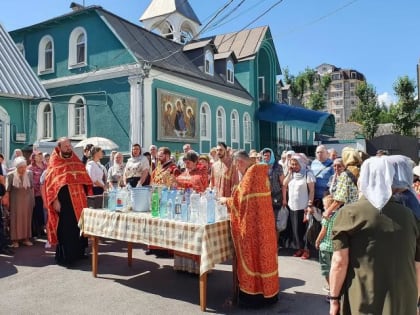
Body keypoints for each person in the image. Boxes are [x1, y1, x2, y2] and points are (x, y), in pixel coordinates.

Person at [329, 156, 420, 315]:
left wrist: (334, 299)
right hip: (404, 300)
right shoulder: (409, 215)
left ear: (362, 178)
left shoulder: (349, 213)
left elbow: (339, 262)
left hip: (364, 299)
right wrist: (414, 300)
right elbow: (417, 265)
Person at [220, 150, 279, 308]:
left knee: (252, 258)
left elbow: (240, 202)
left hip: (252, 227)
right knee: (265, 258)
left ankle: (252, 298)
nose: (237, 168)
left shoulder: (249, 176)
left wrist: (225, 200)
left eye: (236, 165)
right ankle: (269, 294)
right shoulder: (261, 172)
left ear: (240, 162)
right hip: (265, 225)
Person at [44, 137, 93, 266]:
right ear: (59, 147)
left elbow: (85, 178)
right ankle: (67, 257)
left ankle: (79, 252)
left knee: (79, 227)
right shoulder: (55, 163)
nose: (68, 148)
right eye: (65, 146)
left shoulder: (76, 160)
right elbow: (50, 185)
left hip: (79, 201)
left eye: (69, 145)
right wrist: (55, 200)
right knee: (66, 229)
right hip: (64, 202)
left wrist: (88, 194)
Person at [282, 153, 316, 259]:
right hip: (293, 206)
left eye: (295, 164)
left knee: (305, 230)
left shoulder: (307, 174)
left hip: (304, 206)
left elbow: (311, 191)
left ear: (301, 163)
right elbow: (284, 184)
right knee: (295, 230)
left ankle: (306, 250)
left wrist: (309, 204)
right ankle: (299, 248)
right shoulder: (291, 174)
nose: (294, 166)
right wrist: (289, 172)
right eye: (292, 164)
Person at [3, 156, 34, 248]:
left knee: (27, 219)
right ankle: (15, 240)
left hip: (27, 200)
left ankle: (26, 239)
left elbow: (31, 188)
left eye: (24, 166)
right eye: (20, 167)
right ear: (16, 167)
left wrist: (33, 200)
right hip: (15, 201)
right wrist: (7, 203)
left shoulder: (29, 174)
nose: (23, 169)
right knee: (15, 220)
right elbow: (7, 190)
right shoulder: (11, 175)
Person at [261, 148, 285, 245]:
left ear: (272, 156)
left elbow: (283, 184)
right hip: (264, 198)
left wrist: (284, 199)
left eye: (268, 155)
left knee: (275, 223)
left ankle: (275, 244)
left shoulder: (278, 167)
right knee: (266, 223)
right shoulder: (261, 167)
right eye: (265, 155)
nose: (266, 157)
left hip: (276, 198)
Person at [314, 194, 335, 297]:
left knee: (326, 268)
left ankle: (331, 288)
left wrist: (317, 241)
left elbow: (323, 231)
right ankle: (334, 286)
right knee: (334, 268)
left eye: (324, 205)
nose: (323, 207)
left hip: (326, 247)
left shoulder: (327, 217)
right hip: (335, 247)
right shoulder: (339, 215)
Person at [27, 151, 47, 238]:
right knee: (37, 212)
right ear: (34, 157)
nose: (40, 157)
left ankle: (43, 228)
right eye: (38, 156)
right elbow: (29, 181)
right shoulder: (31, 168)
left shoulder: (46, 166)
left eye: (41, 155)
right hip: (36, 193)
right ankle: (37, 230)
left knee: (45, 211)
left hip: (46, 192)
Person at [310, 145, 334, 210]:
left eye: (321, 152)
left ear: (327, 153)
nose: (319, 154)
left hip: (326, 197)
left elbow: (335, 180)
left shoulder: (332, 164)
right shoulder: (313, 163)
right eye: (317, 152)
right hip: (314, 196)